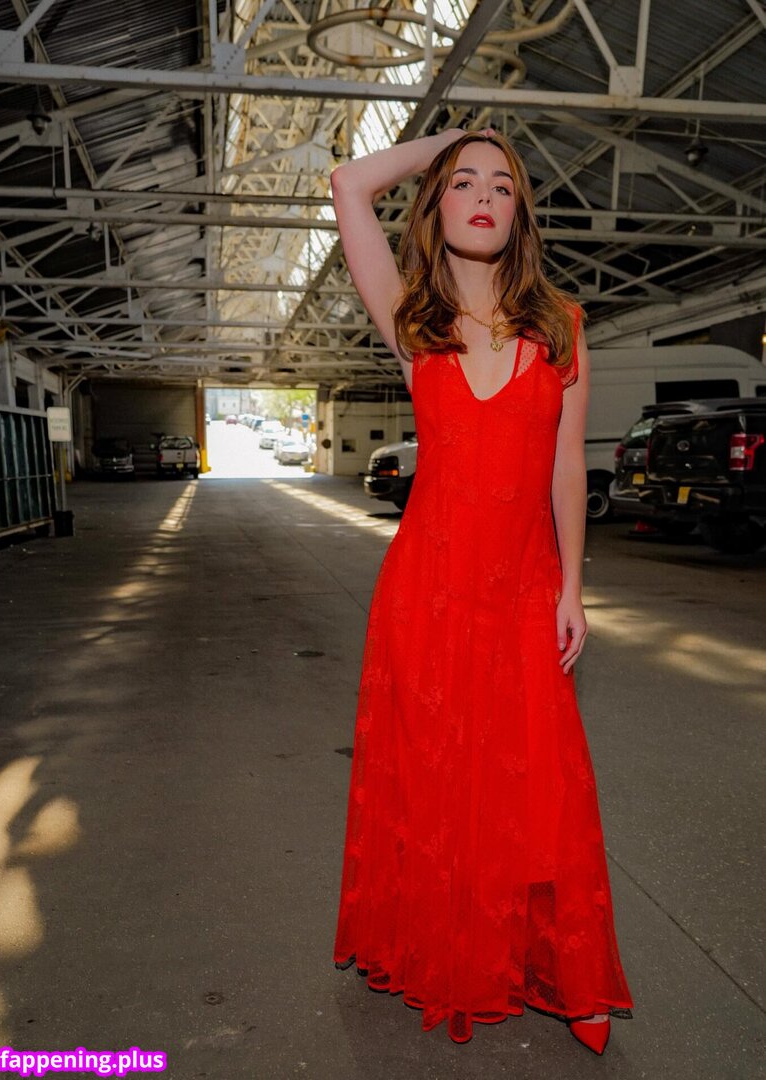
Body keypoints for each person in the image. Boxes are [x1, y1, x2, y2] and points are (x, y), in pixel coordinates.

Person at [330, 127, 634, 1053]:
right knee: (438, 784)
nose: (484, 197)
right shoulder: (410, 320)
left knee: (543, 784)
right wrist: (448, 143)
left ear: (520, 214)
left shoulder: (562, 324)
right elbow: (347, 183)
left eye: (503, 185)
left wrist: (572, 587)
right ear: (437, 204)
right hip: (426, 592)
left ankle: (565, 970)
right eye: (465, 183)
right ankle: (446, 950)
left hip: (524, 588)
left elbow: (567, 470)